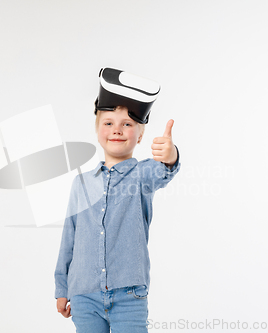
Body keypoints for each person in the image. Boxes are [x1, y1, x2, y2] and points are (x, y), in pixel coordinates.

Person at [54, 81, 180, 333]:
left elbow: (164, 170)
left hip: (129, 294)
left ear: (140, 135)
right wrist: (62, 288)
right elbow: (69, 237)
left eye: (128, 124)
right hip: (84, 295)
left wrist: (171, 155)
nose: (117, 130)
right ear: (98, 130)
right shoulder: (81, 183)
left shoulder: (142, 174)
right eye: (109, 123)